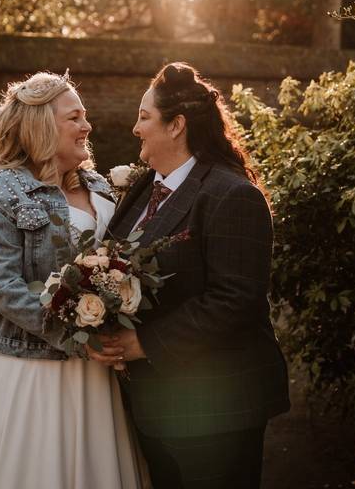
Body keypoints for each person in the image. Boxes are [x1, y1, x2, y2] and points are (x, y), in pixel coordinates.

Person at [92, 62, 290, 488]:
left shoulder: (231, 194)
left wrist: (143, 343)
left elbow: (235, 300)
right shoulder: (146, 186)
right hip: (156, 404)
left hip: (217, 408)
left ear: (176, 125)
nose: (135, 128)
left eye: (144, 117)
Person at [0, 71, 145, 489]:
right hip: (21, 366)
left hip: (92, 366)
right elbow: (1, 287)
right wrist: (76, 337)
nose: (87, 126)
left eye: (85, 116)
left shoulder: (99, 185)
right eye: (74, 117)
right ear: (41, 125)